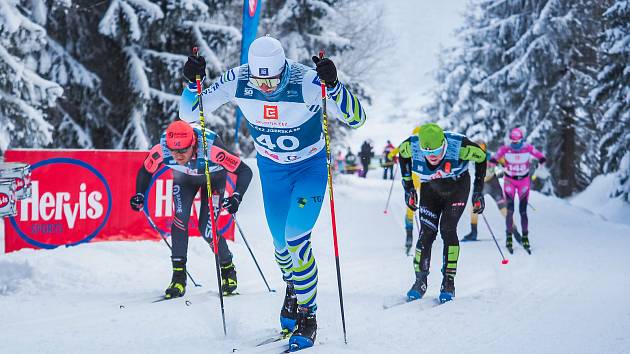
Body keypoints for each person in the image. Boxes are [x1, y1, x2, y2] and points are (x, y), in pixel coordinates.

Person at [178, 35, 366, 349]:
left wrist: (333, 86)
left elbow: (357, 118)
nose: (265, 88)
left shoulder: (306, 81)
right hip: (273, 171)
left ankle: (309, 315)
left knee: (295, 239)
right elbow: (189, 114)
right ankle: (293, 288)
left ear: (283, 70)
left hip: (309, 169)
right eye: (259, 81)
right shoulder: (238, 79)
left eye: (273, 81)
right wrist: (192, 83)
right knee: (281, 247)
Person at [130, 120, 253, 299]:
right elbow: (146, 170)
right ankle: (178, 278)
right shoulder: (162, 148)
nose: (178, 156)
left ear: (193, 144)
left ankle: (227, 268)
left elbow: (245, 171)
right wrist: (140, 194)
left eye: (183, 151)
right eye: (174, 151)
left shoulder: (211, 148)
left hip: (213, 177)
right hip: (184, 179)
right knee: (179, 219)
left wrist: (236, 196)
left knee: (207, 228)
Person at [397, 123, 486, 303]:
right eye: (427, 154)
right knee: (426, 233)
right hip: (431, 189)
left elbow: (482, 158)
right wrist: (409, 188)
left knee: (447, 229)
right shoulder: (411, 146)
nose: (432, 158)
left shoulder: (461, 147)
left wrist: (478, 191)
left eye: (437, 153)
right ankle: (420, 282)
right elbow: (402, 156)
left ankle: (448, 282)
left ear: (444, 144)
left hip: (457, 187)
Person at [490, 128, 545, 254]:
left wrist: (539, 164)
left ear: (521, 139)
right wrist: (493, 165)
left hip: (523, 182)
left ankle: (525, 237)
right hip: (509, 181)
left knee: (523, 211)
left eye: (518, 141)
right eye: (513, 142)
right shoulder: (505, 149)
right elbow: (494, 159)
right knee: (510, 210)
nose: (516, 144)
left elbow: (541, 157)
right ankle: (509, 238)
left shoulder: (528, 148)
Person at [461, 140, 521, 242]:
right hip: (481, 185)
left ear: (485, 148)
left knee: (503, 208)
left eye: (482, 147)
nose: (480, 149)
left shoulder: (491, 156)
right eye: (477, 147)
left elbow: (504, 162)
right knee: (474, 207)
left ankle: (515, 232)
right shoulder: (471, 156)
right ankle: (473, 232)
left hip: (493, 184)